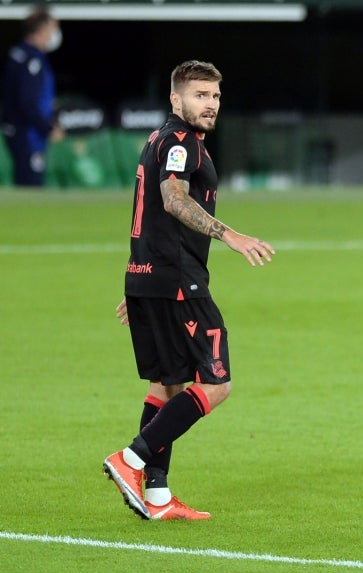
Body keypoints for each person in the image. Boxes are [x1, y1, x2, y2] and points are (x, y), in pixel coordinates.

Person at [104, 60, 275, 521]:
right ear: (176, 100)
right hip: (179, 279)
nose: (210, 104)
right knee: (216, 384)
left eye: (215, 96)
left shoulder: (157, 140)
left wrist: (143, 280)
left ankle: (157, 497)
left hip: (151, 276)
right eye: (200, 95)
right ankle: (132, 459)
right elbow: (172, 199)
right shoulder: (181, 142)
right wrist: (231, 236)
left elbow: (150, 214)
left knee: (167, 383)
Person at [1, 6, 65, 186]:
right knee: (30, 184)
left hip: (21, 130)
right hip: (27, 133)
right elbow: (28, 102)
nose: (55, 34)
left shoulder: (22, 55)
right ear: (42, 30)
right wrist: (48, 128)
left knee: (27, 180)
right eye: (53, 28)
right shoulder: (30, 59)